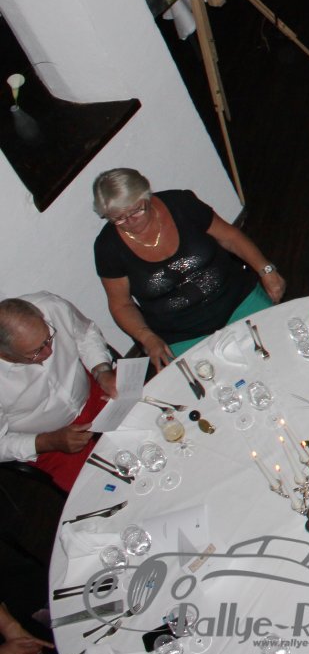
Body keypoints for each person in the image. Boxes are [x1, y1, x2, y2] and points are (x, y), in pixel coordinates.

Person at [92, 168, 284, 369]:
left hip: (237, 299)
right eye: (119, 218)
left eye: (137, 211)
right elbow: (121, 304)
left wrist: (266, 270)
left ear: (146, 196)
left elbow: (231, 238)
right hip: (181, 334)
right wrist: (146, 337)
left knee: (278, 348)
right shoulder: (108, 247)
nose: (131, 222)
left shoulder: (181, 204)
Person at [0, 294, 117, 490]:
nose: (49, 352)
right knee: (102, 491)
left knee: (155, 423)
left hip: (95, 395)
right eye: (36, 352)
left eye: (49, 338)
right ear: (5, 354)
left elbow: (86, 334)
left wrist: (102, 370)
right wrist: (47, 442)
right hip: (52, 441)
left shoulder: (50, 307)